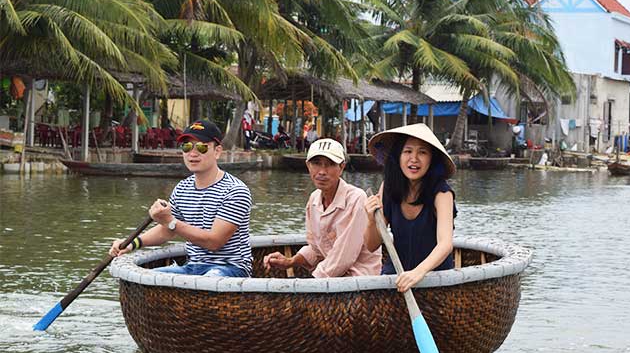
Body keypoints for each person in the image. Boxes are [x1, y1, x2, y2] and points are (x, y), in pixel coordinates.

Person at [108, 120, 253, 277]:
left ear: (217, 151)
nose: (193, 153)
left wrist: (171, 221)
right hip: (193, 266)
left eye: (201, 147)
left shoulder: (236, 191)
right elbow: (166, 231)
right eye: (187, 147)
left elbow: (214, 242)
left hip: (231, 268)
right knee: (146, 279)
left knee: (210, 280)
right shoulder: (182, 188)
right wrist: (132, 243)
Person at [263, 138, 381, 277]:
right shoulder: (314, 200)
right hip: (332, 279)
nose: (322, 171)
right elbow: (316, 249)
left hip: (359, 279)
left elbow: (343, 258)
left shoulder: (356, 199)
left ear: (341, 168)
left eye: (330, 164)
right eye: (317, 164)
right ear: (308, 166)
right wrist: (290, 261)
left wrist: (311, 283)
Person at [363, 123, 457, 293]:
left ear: (431, 159)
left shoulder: (442, 193)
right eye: (407, 151)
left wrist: (417, 273)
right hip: (397, 274)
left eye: (422, 152)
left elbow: (445, 244)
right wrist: (371, 220)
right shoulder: (389, 187)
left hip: (435, 277)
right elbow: (371, 245)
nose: (414, 159)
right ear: (398, 156)